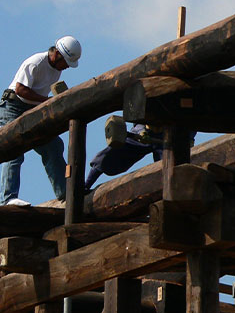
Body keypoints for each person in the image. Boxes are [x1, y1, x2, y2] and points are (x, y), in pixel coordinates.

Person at [0, 36, 82, 205]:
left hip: (32, 109)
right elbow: (21, 90)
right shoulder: (36, 62)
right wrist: (47, 102)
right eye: (66, 62)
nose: (67, 67)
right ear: (57, 54)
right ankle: (8, 199)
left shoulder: (56, 70)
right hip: (13, 106)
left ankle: (65, 193)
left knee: (53, 146)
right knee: (14, 149)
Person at [84, 123, 163, 190]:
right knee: (106, 156)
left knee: (165, 168)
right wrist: (141, 131)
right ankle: (86, 186)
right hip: (143, 131)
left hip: (166, 134)